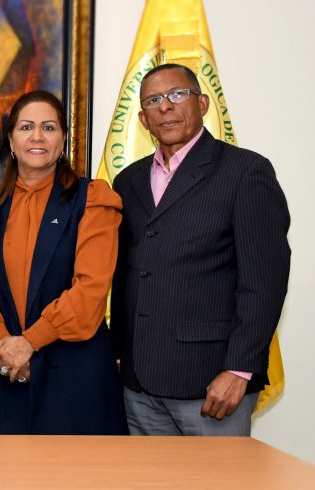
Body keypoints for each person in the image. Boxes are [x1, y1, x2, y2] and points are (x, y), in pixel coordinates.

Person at [111, 63, 290, 436]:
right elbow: (126, 273)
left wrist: (239, 369)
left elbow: (264, 283)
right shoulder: (127, 181)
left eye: (177, 94)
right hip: (138, 384)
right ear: (143, 120)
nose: (165, 106)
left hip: (212, 383)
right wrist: (118, 354)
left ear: (203, 103)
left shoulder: (245, 172)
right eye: (153, 101)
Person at [0, 90, 127, 434]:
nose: (37, 136)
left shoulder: (92, 200)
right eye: (26, 127)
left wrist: (29, 342)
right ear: (11, 141)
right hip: (8, 370)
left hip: (76, 374)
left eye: (49, 127)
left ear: (63, 139)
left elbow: (90, 290)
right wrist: (5, 344)